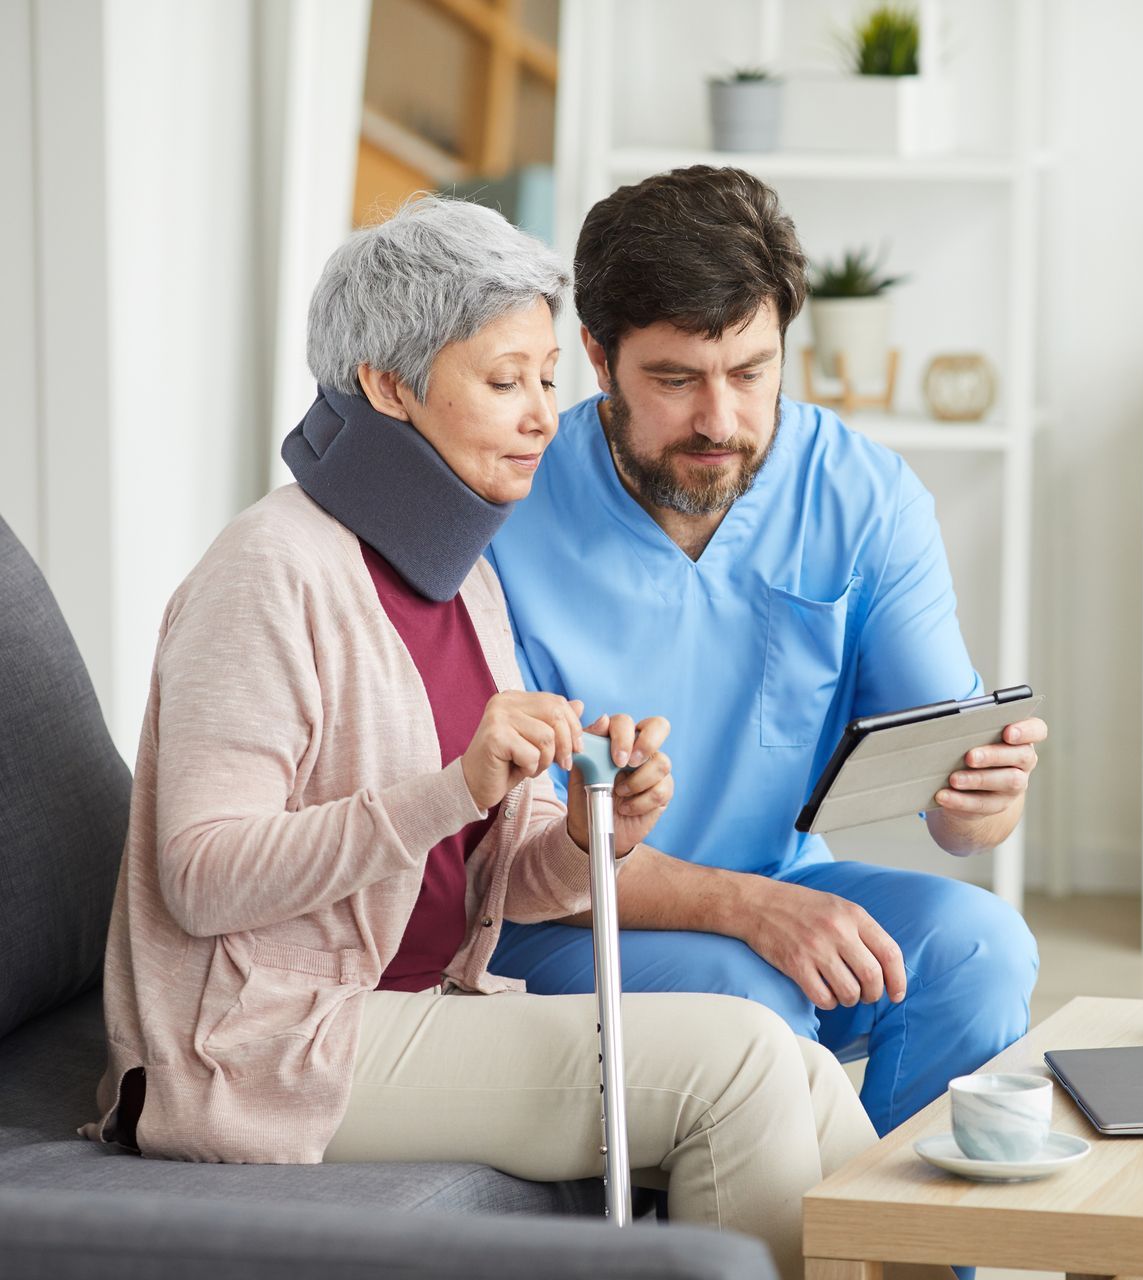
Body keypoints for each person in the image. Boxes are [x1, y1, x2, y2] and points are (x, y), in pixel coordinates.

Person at [81, 197, 879, 1280]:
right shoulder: (266, 572)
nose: (545, 416)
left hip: (415, 1004)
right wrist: (451, 787)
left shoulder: (457, 575)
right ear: (387, 384)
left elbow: (500, 871)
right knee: (732, 1063)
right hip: (265, 1041)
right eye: (506, 381)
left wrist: (599, 828)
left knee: (803, 1068)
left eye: (550, 378)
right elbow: (201, 874)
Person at [486, 166, 1047, 1138]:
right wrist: (743, 908)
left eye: (751, 372)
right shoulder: (504, 513)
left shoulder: (865, 497)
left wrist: (982, 802)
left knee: (981, 945)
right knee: (747, 998)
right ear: (596, 354)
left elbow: (954, 811)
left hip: (778, 878)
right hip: (560, 914)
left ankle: (883, 1245)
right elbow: (501, 850)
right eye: (674, 379)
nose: (721, 420)